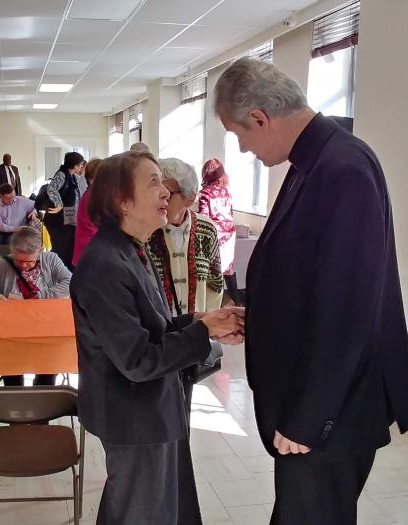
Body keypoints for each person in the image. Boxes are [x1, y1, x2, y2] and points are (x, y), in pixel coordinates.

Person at [214, 57, 408, 525]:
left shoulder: (341, 167)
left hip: (332, 409)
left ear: (261, 117)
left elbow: (348, 308)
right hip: (317, 396)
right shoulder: (318, 161)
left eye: (238, 133)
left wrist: (309, 416)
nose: (242, 147)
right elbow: (308, 279)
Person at [71, 151, 244, 524]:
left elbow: (152, 326)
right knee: (141, 511)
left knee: (155, 506)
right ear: (122, 200)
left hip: (152, 407)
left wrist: (203, 320)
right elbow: (138, 359)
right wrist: (202, 331)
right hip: (133, 415)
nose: (166, 192)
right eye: (152, 183)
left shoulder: (131, 249)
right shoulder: (104, 264)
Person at [0, 226, 71, 386]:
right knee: (12, 376)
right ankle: (15, 404)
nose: (24, 266)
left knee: (47, 375)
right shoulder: (1, 266)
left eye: (29, 261)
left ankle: (44, 404)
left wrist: (41, 296)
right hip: (11, 335)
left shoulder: (51, 260)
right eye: (19, 261)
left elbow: (70, 282)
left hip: (46, 333)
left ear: (41, 250)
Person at [147, 158, 223, 316]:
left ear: (189, 199)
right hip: (157, 334)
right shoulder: (145, 230)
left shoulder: (206, 229)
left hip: (196, 331)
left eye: (168, 194)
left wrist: (207, 323)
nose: (159, 198)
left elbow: (214, 282)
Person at [198, 158, 239, 304]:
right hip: (229, 232)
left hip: (215, 234)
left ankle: (213, 303)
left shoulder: (205, 193)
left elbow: (203, 217)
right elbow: (231, 213)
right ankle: (237, 300)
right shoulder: (227, 192)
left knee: (212, 269)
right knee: (228, 268)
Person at [44, 152, 85, 270]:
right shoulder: (62, 174)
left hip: (68, 218)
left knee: (68, 247)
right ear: (75, 165)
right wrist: (59, 204)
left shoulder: (71, 175)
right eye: (80, 165)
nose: (81, 167)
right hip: (57, 220)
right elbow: (51, 189)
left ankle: (67, 273)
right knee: (61, 248)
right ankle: (57, 272)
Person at [72, 158, 102, 267]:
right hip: (90, 251)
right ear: (91, 179)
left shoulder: (93, 194)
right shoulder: (93, 197)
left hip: (90, 250)